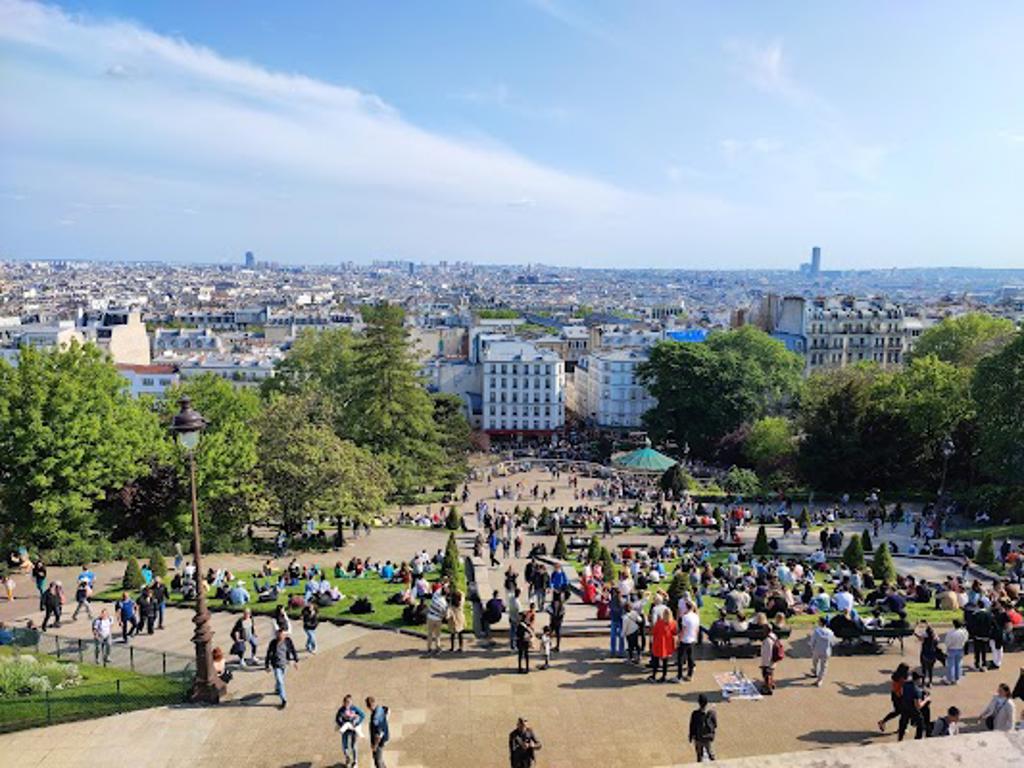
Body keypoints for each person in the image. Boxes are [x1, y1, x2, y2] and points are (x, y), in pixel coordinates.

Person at [264, 627, 299, 709]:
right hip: (276, 665)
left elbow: (293, 650)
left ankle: (277, 689)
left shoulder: (288, 641)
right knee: (280, 681)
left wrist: (295, 660)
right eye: (279, 635)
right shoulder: (273, 643)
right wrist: (267, 665)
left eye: (282, 635)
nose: (280, 637)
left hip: (284, 664)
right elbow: (268, 654)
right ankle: (284, 700)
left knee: (280, 680)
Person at [878, 663, 910, 732]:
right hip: (899, 696)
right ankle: (902, 728)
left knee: (898, 712)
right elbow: (901, 688)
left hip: (895, 695)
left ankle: (883, 722)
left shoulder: (896, 676)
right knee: (904, 712)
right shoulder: (901, 678)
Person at [897, 671, 929, 741]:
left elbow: (900, 693)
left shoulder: (905, 684)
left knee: (903, 723)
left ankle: (900, 739)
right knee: (920, 723)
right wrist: (926, 700)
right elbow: (918, 706)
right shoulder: (917, 690)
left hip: (904, 707)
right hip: (913, 710)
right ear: (918, 679)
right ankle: (917, 739)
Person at [336, 693, 366, 766]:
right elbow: (337, 719)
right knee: (344, 746)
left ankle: (355, 762)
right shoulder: (341, 710)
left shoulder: (354, 708)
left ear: (351, 702)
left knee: (354, 746)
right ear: (344, 702)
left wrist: (357, 722)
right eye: (346, 702)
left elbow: (363, 715)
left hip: (353, 730)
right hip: (345, 730)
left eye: (349, 702)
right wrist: (342, 723)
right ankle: (347, 758)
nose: (347, 704)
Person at [648, 609, 677, 683]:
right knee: (665, 662)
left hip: (658, 643)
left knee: (656, 661)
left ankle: (654, 675)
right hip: (667, 644)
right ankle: (664, 676)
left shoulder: (659, 623)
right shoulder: (673, 623)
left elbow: (654, 632)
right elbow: (674, 632)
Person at [688, 693, 717, 763]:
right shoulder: (711, 713)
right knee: (710, 753)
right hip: (708, 737)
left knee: (699, 755)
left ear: (699, 703)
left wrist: (691, 736)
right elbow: (715, 725)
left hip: (698, 737)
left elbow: (692, 726)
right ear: (707, 703)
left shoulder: (695, 713)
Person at [808, 616, 837, 687]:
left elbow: (812, 641)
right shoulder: (830, 632)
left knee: (815, 662)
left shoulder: (816, 631)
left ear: (820, 622)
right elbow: (833, 642)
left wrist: (812, 647)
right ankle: (819, 680)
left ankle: (816, 672)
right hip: (826, 651)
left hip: (817, 650)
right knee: (824, 666)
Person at [676, 601, 700, 682]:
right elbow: (697, 629)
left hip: (685, 639)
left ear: (686, 607)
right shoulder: (696, 616)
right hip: (692, 639)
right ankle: (690, 675)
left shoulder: (685, 617)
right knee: (690, 657)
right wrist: (695, 637)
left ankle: (679, 676)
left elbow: (683, 630)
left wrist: (679, 639)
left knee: (680, 658)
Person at [758, 618, 781, 695]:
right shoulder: (773, 635)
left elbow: (768, 653)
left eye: (764, 630)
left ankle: (768, 688)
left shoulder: (768, 640)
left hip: (768, 661)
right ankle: (771, 683)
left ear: (767, 630)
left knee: (766, 674)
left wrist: (765, 664)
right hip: (774, 659)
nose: (763, 631)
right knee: (771, 673)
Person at [366, 696, 390, 768]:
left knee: (378, 760)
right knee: (379, 758)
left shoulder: (375, 719)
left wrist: (374, 746)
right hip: (386, 736)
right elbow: (388, 710)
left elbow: (378, 735)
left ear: (368, 706)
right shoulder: (380, 708)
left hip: (379, 742)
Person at [943, 619, 969, 685]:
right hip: (960, 648)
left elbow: (947, 642)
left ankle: (950, 679)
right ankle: (957, 678)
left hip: (952, 649)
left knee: (951, 665)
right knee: (959, 664)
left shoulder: (951, 632)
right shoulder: (964, 632)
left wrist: (947, 647)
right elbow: (966, 639)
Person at [426, 585, 448, 655]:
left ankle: (429, 648)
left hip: (430, 617)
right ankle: (437, 647)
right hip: (438, 619)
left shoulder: (435, 595)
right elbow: (445, 614)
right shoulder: (444, 603)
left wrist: (445, 586)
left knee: (430, 634)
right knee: (437, 635)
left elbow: (440, 589)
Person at [517, 609, 535, 673]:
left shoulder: (521, 625)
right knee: (526, 655)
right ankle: (526, 668)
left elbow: (518, 634)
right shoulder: (526, 624)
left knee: (521, 655)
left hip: (521, 641)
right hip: (525, 641)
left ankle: (520, 668)